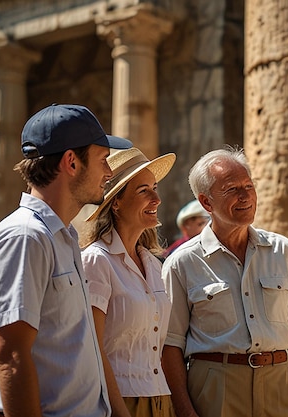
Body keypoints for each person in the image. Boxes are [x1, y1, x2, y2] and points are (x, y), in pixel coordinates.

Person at [0, 104, 133, 417]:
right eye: (103, 160)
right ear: (71, 162)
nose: (110, 172)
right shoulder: (25, 237)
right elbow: (11, 356)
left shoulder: (62, 238)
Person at [161, 146, 288, 417]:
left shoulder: (283, 250)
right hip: (216, 392)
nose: (245, 195)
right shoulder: (182, 262)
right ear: (206, 202)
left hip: (282, 386)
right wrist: (185, 411)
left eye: (248, 186)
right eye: (232, 189)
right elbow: (169, 345)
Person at [80, 147, 176, 417]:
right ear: (116, 202)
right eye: (144, 190)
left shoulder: (154, 265)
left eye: (155, 188)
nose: (157, 199)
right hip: (121, 402)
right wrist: (121, 412)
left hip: (161, 400)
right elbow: (93, 350)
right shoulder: (97, 261)